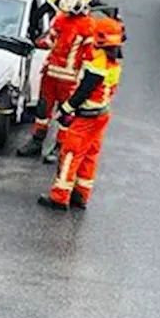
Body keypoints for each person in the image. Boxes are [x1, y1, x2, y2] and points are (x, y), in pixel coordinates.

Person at [39, 16, 124, 211]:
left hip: (87, 116)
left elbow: (84, 91)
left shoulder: (98, 64)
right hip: (101, 115)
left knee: (70, 153)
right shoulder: (113, 61)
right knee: (90, 154)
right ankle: (81, 194)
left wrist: (66, 109)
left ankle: (60, 197)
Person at [16, 0, 95, 158]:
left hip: (70, 79)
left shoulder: (88, 26)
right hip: (50, 75)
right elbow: (51, 40)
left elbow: (89, 56)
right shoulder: (60, 19)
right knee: (43, 109)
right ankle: (37, 141)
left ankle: (60, 146)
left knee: (66, 113)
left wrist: (82, 78)